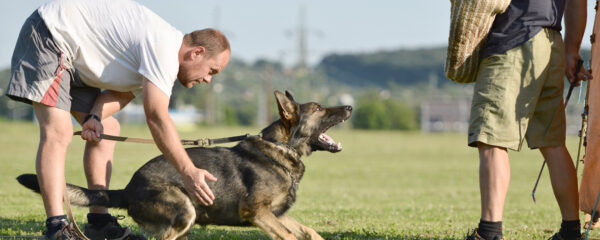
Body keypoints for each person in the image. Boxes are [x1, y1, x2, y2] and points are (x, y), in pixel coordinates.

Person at [6, 0, 230, 239]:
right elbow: (156, 117)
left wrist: (95, 116)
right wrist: (188, 170)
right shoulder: (164, 47)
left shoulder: (162, 59)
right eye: (211, 71)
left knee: (108, 127)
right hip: (50, 33)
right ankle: (57, 227)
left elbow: (123, 93)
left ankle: (99, 221)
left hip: (76, 60)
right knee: (58, 132)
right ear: (197, 53)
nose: (208, 80)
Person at [464, 0, 591, 239]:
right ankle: (570, 230)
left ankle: (489, 232)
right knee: (553, 143)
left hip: (514, 38)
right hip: (552, 43)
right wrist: (571, 50)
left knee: (492, 138)